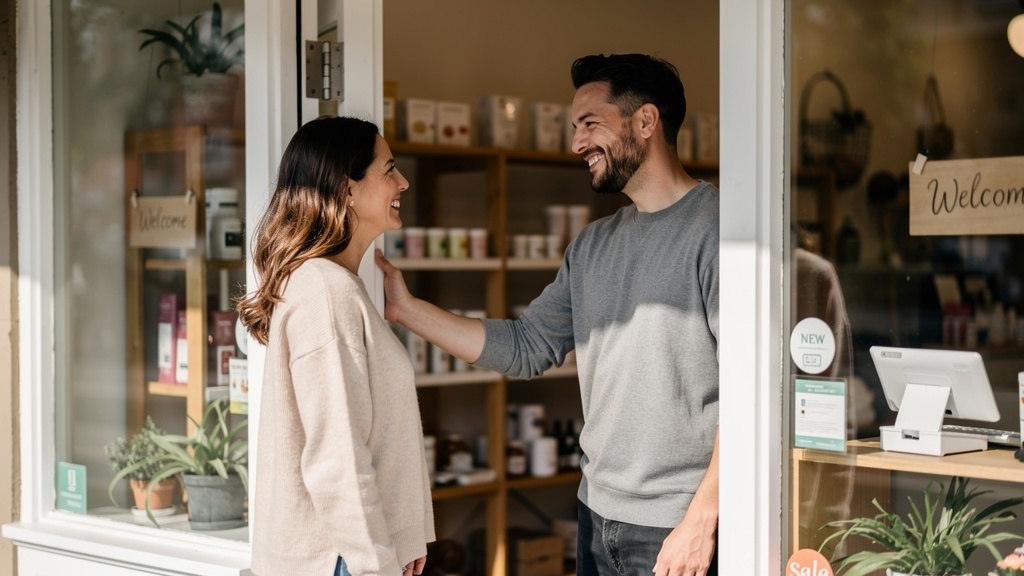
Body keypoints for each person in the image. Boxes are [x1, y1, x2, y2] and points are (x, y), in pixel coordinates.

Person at [375, 54, 719, 576]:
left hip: (677, 525)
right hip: (596, 515)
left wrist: (702, 520)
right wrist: (405, 308)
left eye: (589, 125)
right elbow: (529, 346)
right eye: (574, 127)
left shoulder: (719, 232)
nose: (576, 143)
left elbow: (754, 392)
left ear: (646, 122)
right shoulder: (593, 246)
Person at [237, 116, 435, 576]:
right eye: (389, 170)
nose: (402, 182)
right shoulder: (325, 291)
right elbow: (337, 457)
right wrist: (377, 562)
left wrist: (401, 537)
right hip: (339, 560)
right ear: (346, 188)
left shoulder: (333, 284)